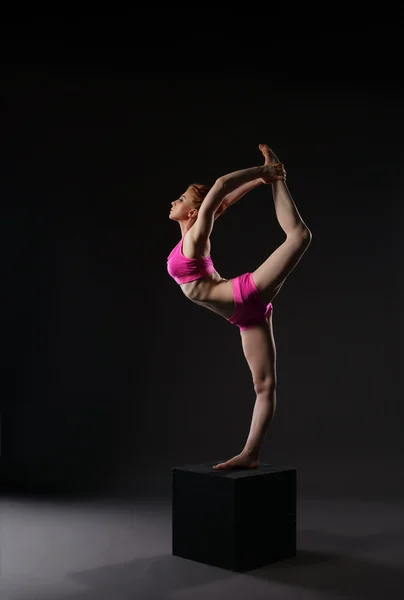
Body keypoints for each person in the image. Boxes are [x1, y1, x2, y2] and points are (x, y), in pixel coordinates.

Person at [167, 144, 312, 470]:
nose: (174, 201)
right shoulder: (190, 234)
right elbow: (224, 200)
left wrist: (265, 173)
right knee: (265, 386)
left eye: (181, 198)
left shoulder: (195, 239)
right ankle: (251, 454)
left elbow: (219, 188)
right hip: (243, 316)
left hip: (242, 294)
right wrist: (259, 181)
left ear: (193, 212)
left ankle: (278, 175)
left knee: (299, 236)